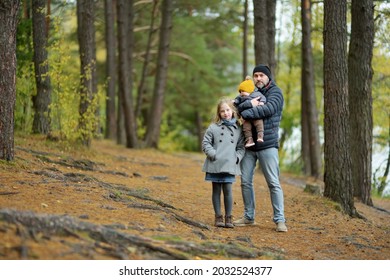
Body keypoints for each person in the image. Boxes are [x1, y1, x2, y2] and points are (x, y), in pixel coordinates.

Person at [233, 64, 287, 232]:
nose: (258, 78)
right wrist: (248, 106)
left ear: (268, 77)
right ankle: (249, 217)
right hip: (249, 145)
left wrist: (246, 112)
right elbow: (236, 107)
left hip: (267, 144)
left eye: (261, 75)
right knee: (245, 181)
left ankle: (280, 220)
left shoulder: (275, 93)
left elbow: (268, 109)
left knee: (273, 182)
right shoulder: (249, 92)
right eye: (255, 75)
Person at [202, 98, 245, 228]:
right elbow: (206, 143)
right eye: (222, 111)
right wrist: (214, 154)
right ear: (219, 114)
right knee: (216, 190)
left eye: (228, 110)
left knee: (228, 190)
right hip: (215, 163)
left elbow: (241, 147)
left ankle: (229, 217)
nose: (226, 113)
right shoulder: (213, 127)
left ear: (232, 111)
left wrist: (236, 158)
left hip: (229, 164)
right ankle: (218, 216)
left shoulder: (238, 128)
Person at [234, 76, 267, 148]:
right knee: (246, 128)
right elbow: (237, 101)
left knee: (259, 123)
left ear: (249, 90)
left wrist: (262, 102)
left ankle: (260, 136)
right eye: (240, 91)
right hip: (246, 118)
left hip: (256, 115)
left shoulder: (256, 94)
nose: (241, 93)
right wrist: (234, 101)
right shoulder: (241, 97)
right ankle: (249, 140)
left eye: (243, 91)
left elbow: (263, 98)